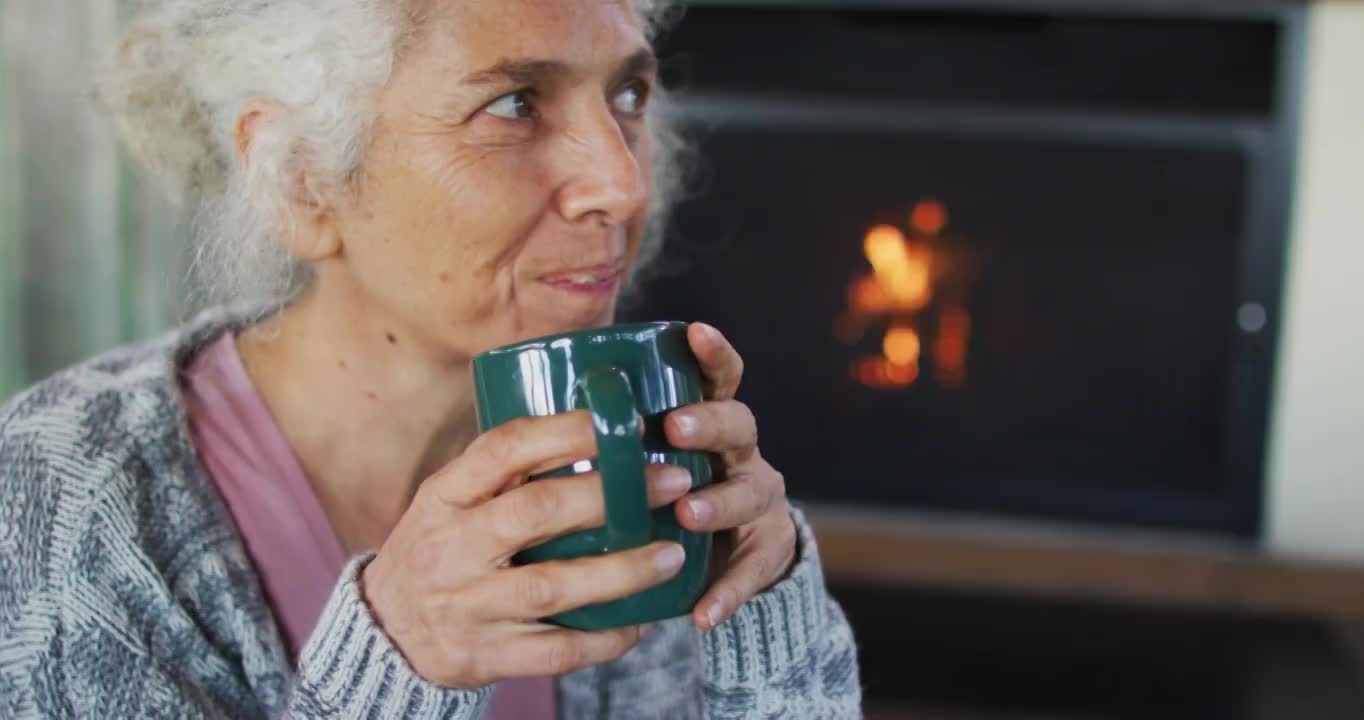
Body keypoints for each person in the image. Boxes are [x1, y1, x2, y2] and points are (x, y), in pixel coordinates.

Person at [0, 0, 862, 717]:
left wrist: (765, 601)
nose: (622, 184)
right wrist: (396, 665)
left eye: (629, 94)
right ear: (303, 178)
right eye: (516, 103)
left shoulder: (643, 458)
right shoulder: (67, 495)